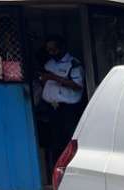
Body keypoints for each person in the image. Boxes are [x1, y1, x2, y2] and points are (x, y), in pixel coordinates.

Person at [38, 35, 84, 165]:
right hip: (51, 107)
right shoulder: (49, 64)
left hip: (68, 109)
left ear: (62, 47)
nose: (51, 52)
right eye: (49, 50)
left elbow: (77, 85)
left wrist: (53, 77)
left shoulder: (73, 64)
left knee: (68, 141)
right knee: (53, 142)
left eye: (54, 49)